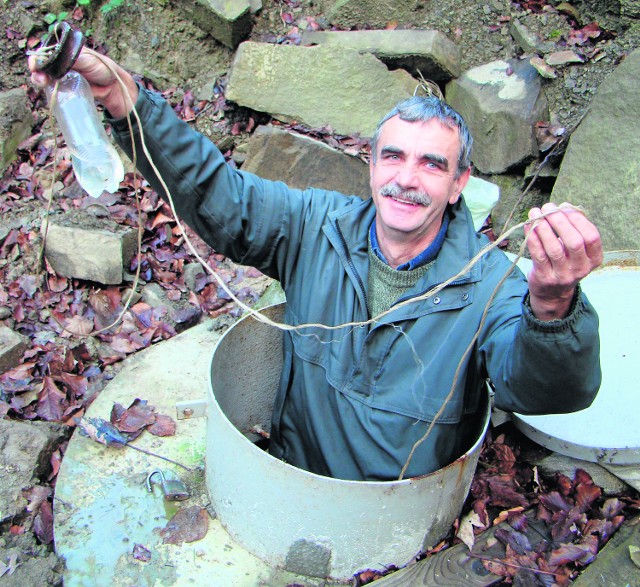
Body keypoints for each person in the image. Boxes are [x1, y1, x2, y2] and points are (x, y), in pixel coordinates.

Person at [30, 48, 603, 482]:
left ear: (458, 185)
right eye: (393, 156)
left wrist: (553, 306)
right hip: (290, 483)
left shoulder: (492, 284)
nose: (406, 179)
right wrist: (123, 99)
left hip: (401, 521)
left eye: (432, 164)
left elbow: (544, 393)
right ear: (371, 165)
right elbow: (216, 193)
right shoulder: (314, 227)